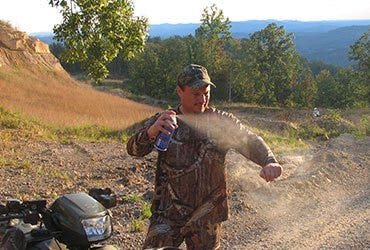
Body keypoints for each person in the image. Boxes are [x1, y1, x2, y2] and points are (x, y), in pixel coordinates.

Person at [127, 64, 283, 250]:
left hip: (207, 216)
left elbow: (249, 140)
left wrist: (269, 161)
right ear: (179, 91)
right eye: (195, 94)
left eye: (206, 93)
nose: (202, 99)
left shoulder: (222, 122)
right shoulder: (165, 121)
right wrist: (150, 133)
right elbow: (133, 150)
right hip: (168, 214)